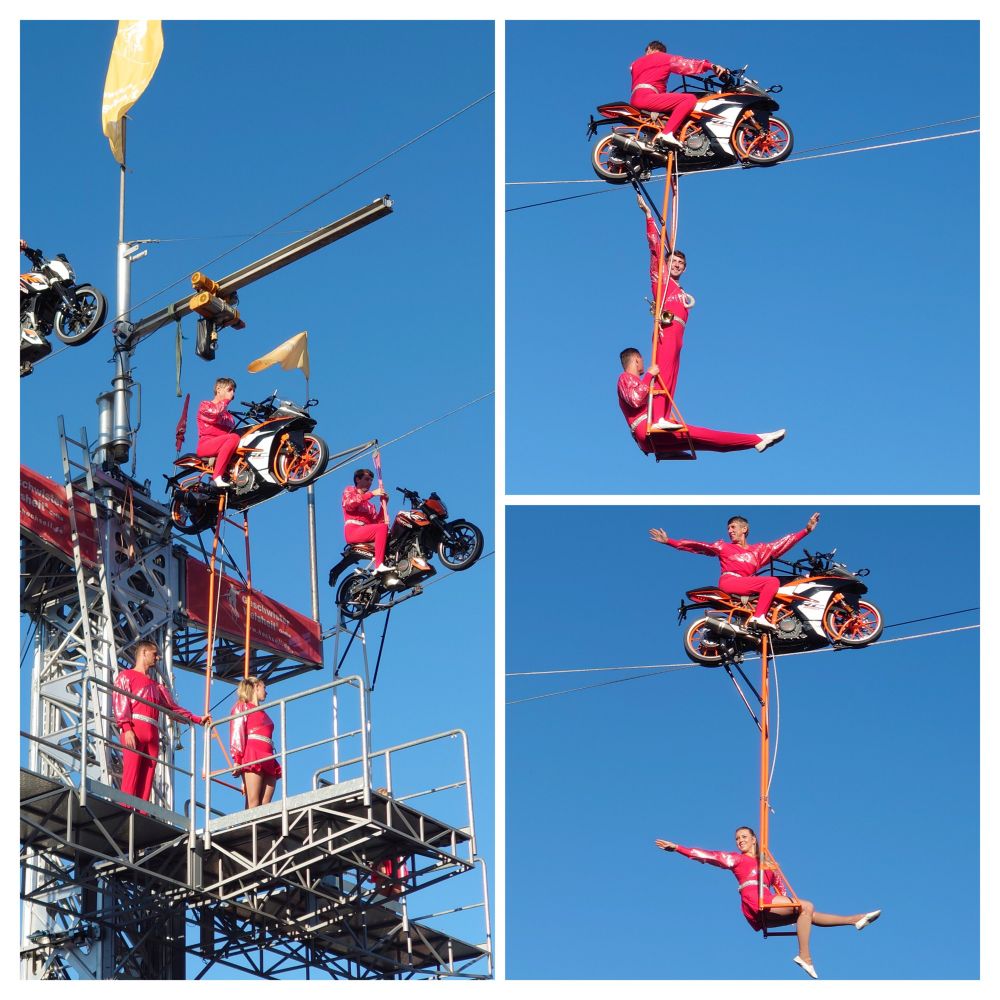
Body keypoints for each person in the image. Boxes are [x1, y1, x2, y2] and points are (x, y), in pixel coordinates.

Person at [656, 828, 881, 979]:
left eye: (744, 837)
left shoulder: (768, 864)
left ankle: (854, 920)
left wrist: (797, 910)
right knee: (807, 906)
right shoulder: (736, 859)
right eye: (737, 838)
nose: (740, 841)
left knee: (807, 913)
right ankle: (805, 956)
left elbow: (782, 888)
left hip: (769, 902)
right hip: (756, 901)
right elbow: (708, 856)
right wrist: (677, 848)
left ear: (754, 839)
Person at [649, 512, 819, 630]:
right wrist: (670, 541)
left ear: (744, 529)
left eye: (733, 527)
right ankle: (758, 617)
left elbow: (781, 544)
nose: (729, 531)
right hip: (731, 582)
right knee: (771, 581)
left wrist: (806, 531)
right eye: (728, 528)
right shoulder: (723, 546)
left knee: (781, 585)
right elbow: (699, 546)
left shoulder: (758, 550)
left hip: (747, 585)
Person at [617, 348, 785, 457]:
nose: (644, 363)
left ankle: (756, 441)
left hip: (648, 439)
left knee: (713, 444)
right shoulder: (624, 378)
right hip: (647, 431)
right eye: (642, 360)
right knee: (707, 435)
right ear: (636, 359)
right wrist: (649, 375)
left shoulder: (634, 382)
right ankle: (756, 438)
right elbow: (635, 399)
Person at [112, 640, 209, 803]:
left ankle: (142, 812)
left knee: (148, 777)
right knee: (131, 773)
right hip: (135, 729)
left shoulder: (157, 686)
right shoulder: (126, 676)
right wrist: (127, 727)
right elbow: (121, 702)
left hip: (152, 732)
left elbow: (173, 709)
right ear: (143, 653)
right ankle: (125, 808)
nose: (157, 658)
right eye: (154, 654)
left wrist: (197, 719)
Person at [637, 193, 691, 431]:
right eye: (674, 262)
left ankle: (664, 415)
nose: (677, 265)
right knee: (664, 369)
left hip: (679, 335)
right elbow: (656, 248)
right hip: (667, 329)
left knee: (672, 375)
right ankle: (657, 415)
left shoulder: (679, 288)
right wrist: (649, 216)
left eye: (681, 263)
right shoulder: (662, 280)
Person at [630, 40, 727, 150]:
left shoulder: (635, 63)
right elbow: (687, 64)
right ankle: (667, 133)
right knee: (689, 99)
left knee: (673, 101)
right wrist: (711, 66)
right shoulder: (663, 58)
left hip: (636, 98)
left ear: (649, 49)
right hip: (647, 97)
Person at [230, 675, 281, 808]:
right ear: (256, 687)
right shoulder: (242, 707)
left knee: (265, 804)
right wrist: (237, 759)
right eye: (264, 687)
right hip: (253, 753)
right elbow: (237, 731)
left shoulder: (263, 712)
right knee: (253, 801)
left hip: (268, 754)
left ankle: (263, 828)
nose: (266, 691)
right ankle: (250, 828)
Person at [342, 468, 395, 576]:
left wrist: (383, 505)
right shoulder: (350, 490)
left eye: (371, 480)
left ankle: (385, 564)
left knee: (388, 534)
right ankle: (379, 565)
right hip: (353, 530)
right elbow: (349, 504)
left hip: (364, 531)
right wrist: (372, 494)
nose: (369, 482)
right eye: (367, 479)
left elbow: (377, 523)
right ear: (357, 479)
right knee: (382, 528)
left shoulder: (370, 506)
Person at [196, 376, 241, 489]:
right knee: (233, 438)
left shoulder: (229, 417)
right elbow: (214, 414)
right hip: (207, 445)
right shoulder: (205, 405)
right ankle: (217, 477)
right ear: (218, 389)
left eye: (233, 391)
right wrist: (225, 401)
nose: (233, 394)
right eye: (229, 390)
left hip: (223, 445)